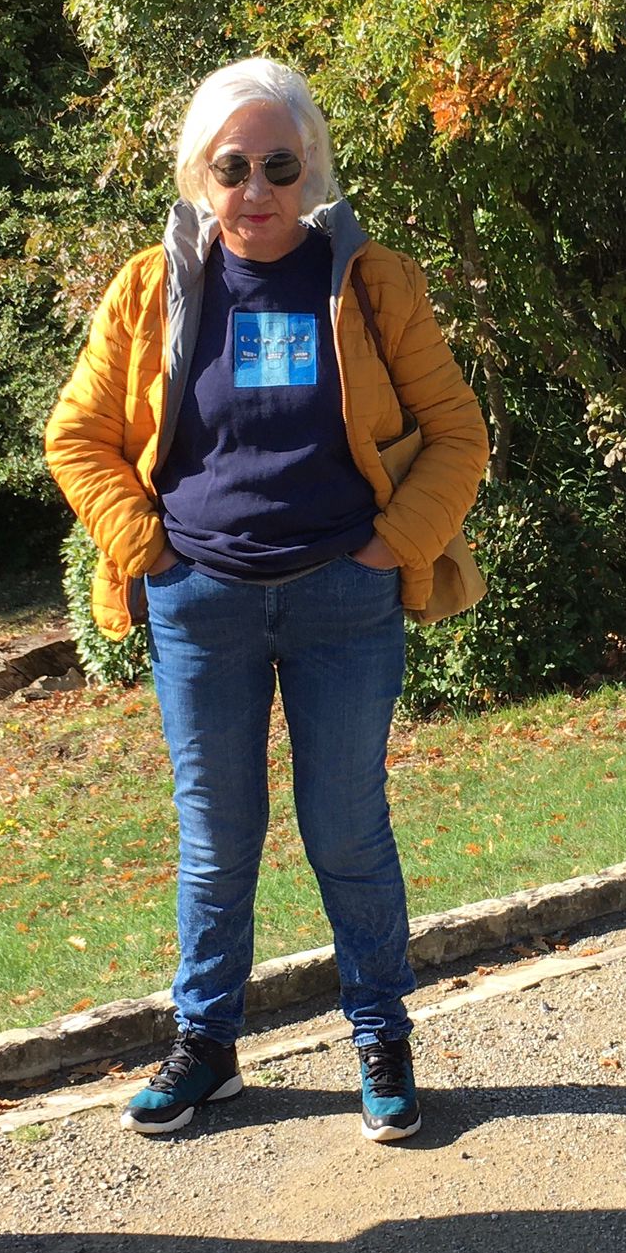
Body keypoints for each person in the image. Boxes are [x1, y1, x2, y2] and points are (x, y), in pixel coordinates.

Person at [46, 58, 489, 1142]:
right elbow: (77, 436)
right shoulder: (147, 289)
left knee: (347, 828)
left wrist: (390, 549)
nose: (255, 189)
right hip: (201, 603)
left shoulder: (373, 282)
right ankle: (206, 1046)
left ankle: (380, 1033)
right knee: (216, 838)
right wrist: (148, 551)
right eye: (231, 166)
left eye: (278, 166)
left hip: (344, 596)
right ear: (199, 174)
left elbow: (456, 434)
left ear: (311, 169)